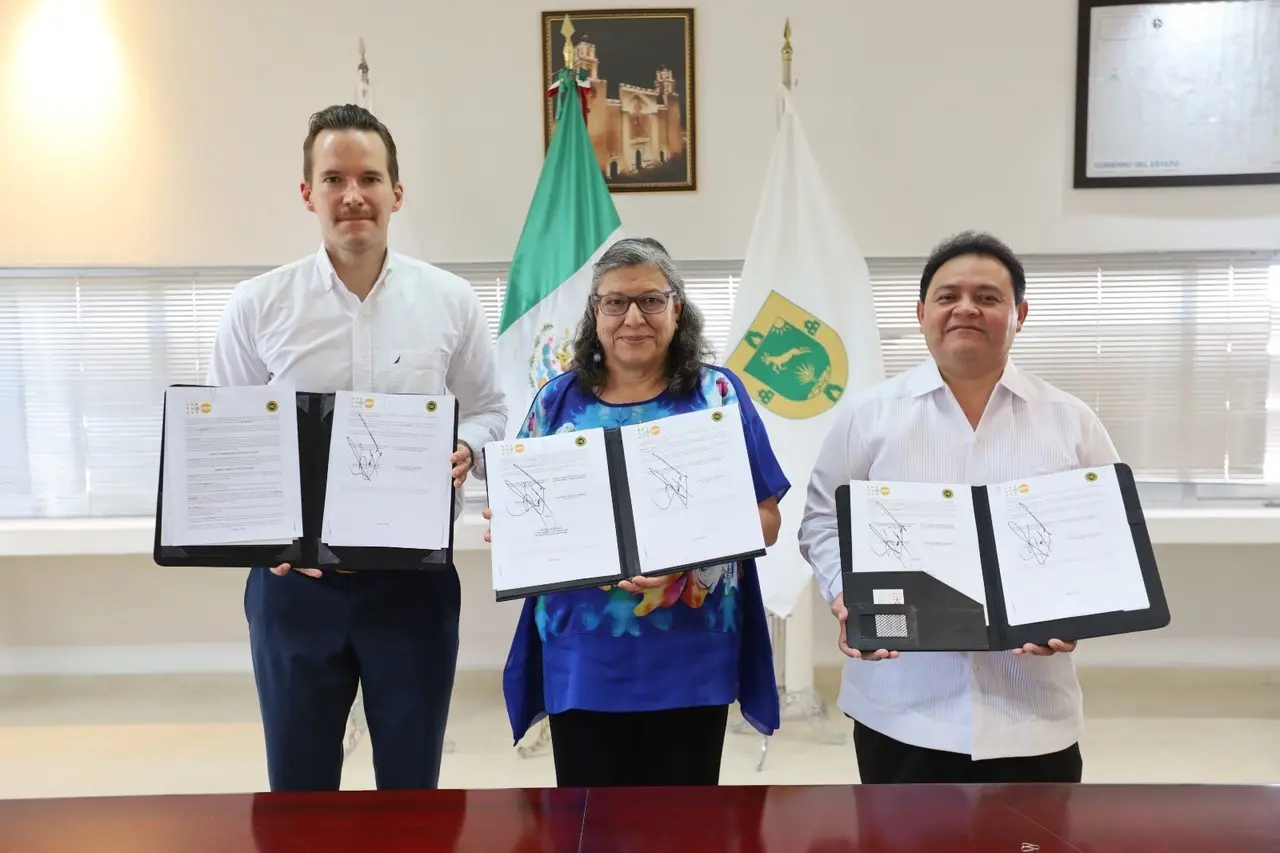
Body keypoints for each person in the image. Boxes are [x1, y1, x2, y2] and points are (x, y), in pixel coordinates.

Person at [205, 104, 507, 791]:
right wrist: (259, 541)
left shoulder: (451, 301)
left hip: (415, 585)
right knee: (299, 789)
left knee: (411, 789)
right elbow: (229, 441)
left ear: (396, 192)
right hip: (294, 590)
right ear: (307, 193)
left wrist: (467, 447)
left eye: (369, 177)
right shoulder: (257, 305)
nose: (352, 195)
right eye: (333, 177)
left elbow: (492, 410)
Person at [798, 230, 1121, 785]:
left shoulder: (1072, 422)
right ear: (922, 312)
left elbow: (1107, 538)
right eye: (948, 296)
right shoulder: (868, 416)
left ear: (1020, 313)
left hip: (1033, 712)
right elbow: (822, 520)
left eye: (988, 297)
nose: (965, 308)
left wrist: (1079, 613)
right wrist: (843, 588)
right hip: (900, 708)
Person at [485, 237, 789, 787]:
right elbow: (522, 519)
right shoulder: (555, 403)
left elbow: (767, 519)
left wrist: (688, 554)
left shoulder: (717, 394)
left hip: (692, 649)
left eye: (651, 300)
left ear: (677, 309)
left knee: (685, 826)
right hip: (583, 653)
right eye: (614, 302)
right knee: (588, 823)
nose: (633, 318)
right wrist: (514, 530)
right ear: (594, 314)